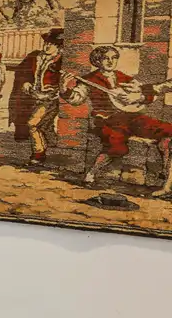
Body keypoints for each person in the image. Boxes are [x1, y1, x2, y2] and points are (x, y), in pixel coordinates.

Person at [71, 45, 172, 194]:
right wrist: (64, 89)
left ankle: (165, 173)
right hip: (107, 119)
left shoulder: (122, 76)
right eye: (106, 58)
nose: (110, 61)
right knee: (117, 146)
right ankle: (91, 174)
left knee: (168, 131)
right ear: (97, 61)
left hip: (131, 116)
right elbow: (76, 99)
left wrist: (139, 97)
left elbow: (145, 94)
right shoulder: (89, 80)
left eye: (114, 58)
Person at [9, 29, 67, 164]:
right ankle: (53, 145)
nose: (47, 46)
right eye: (46, 43)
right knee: (44, 125)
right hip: (34, 97)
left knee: (33, 124)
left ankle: (38, 154)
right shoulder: (35, 56)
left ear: (59, 46)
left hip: (50, 99)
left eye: (51, 44)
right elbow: (22, 71)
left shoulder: (61, 60)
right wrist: (25, 81)